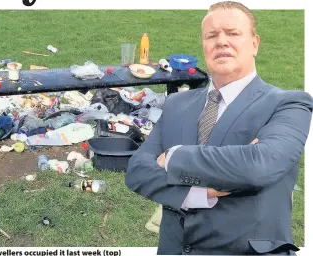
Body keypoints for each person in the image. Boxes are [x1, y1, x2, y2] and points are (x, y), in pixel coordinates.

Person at [125, 1, 313, 255]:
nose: (221, 41)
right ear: (204, 45)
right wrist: (194, 193)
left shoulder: (288, 103)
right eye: (211, 35)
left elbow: (259, 165)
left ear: (255, 43)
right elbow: (137, 170)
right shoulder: (176, 104)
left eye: (233, 33)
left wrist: (173, 157)